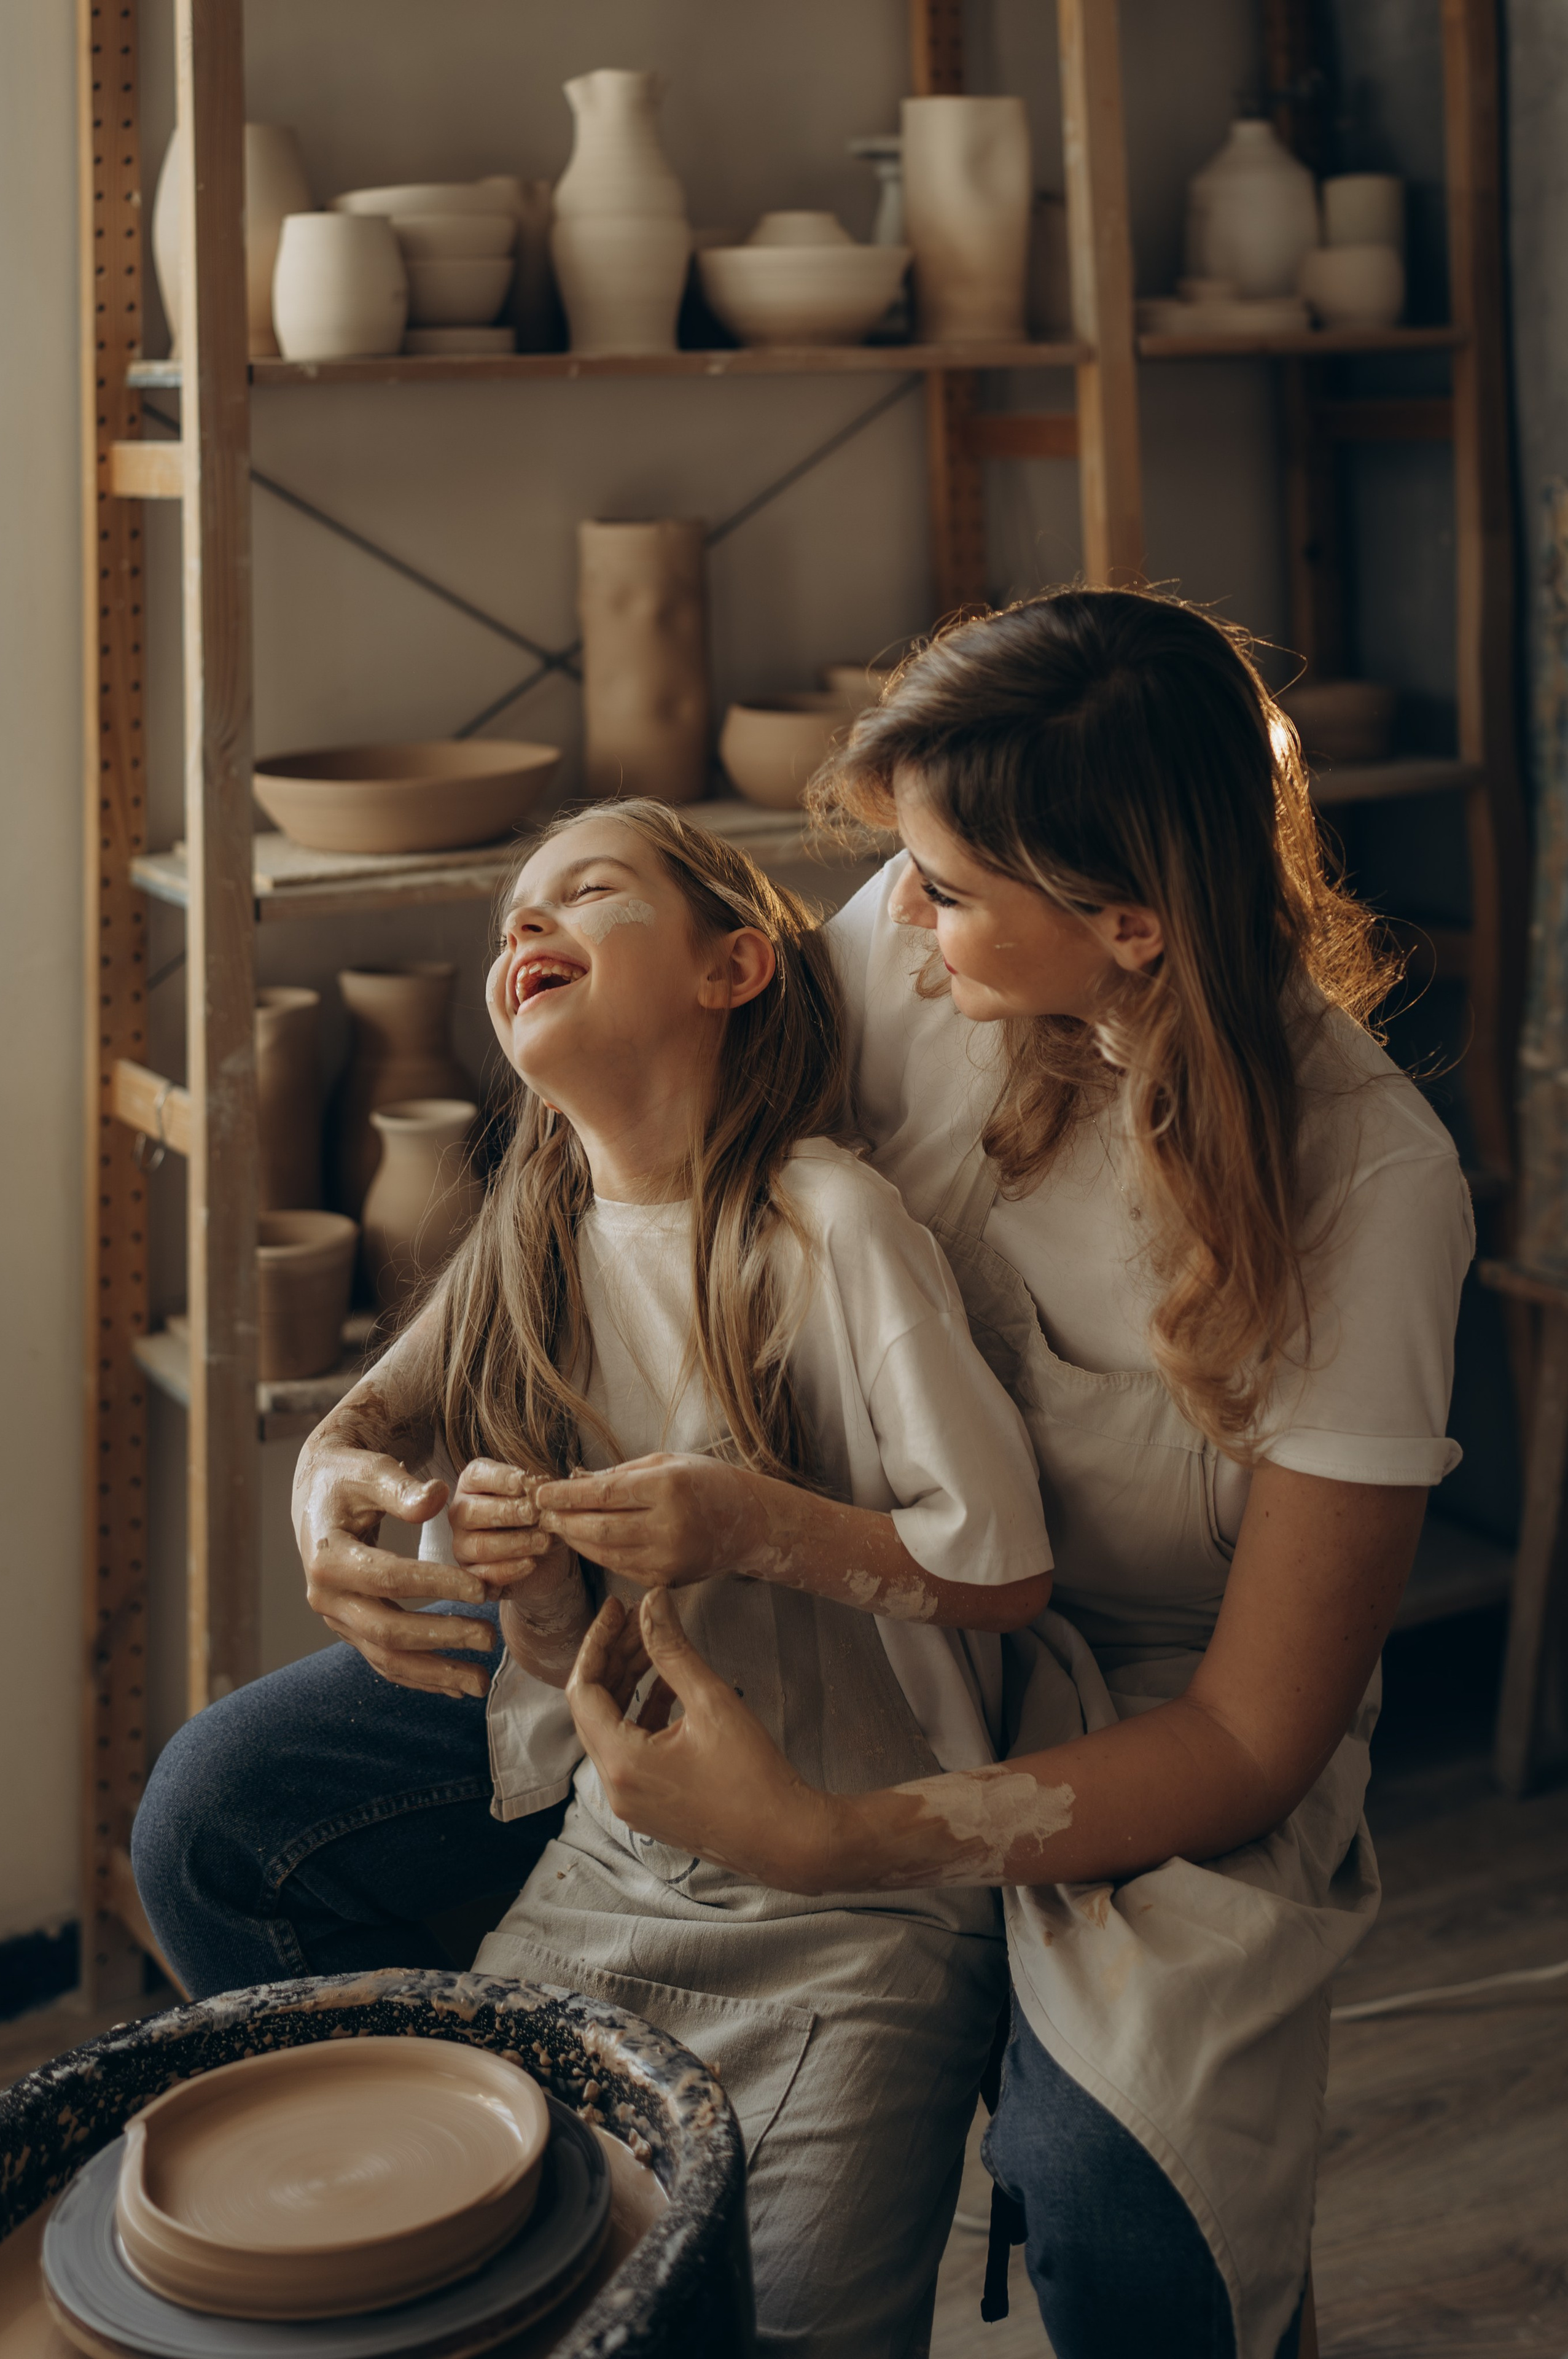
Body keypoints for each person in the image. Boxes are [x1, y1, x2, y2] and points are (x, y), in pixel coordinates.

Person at [528, 592, 1473, 2359]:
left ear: (1129, 924)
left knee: (1131, 2211)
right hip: (837, 1588)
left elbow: (1257, 1734)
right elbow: (664, 1149)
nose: (897, 919)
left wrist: (838, 1842)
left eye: (949, 891)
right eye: (909, 872)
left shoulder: (1373, 1189)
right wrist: (366, 1454)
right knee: (230, 1818)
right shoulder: (924, 929)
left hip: (1149, 1702)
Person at [135, 800, 1055, 2359]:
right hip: (611, 1864)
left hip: (862, 1901)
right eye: (508, 916)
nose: (521, 929)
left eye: (586, 892)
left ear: (733, 965)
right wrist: (366, 1507)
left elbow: (1003, 1572)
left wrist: (748, 1522)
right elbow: (366, 1426)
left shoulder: (828, 1226)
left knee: (779, 2324)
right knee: (527, 2287)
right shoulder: (537, 1215)